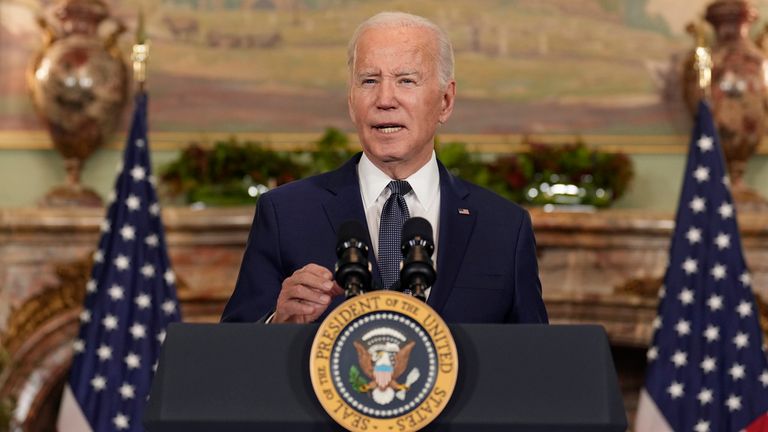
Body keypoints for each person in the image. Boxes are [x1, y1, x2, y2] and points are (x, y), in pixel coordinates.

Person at [221, 11, 548, 324]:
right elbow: (232, 355)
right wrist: (277, 323)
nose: (385, 99)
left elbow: (534, 361)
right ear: (351, 101)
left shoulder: (505, 227)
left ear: (445, 101)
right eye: (369, 81)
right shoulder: (285, 213)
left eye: (406, 80)